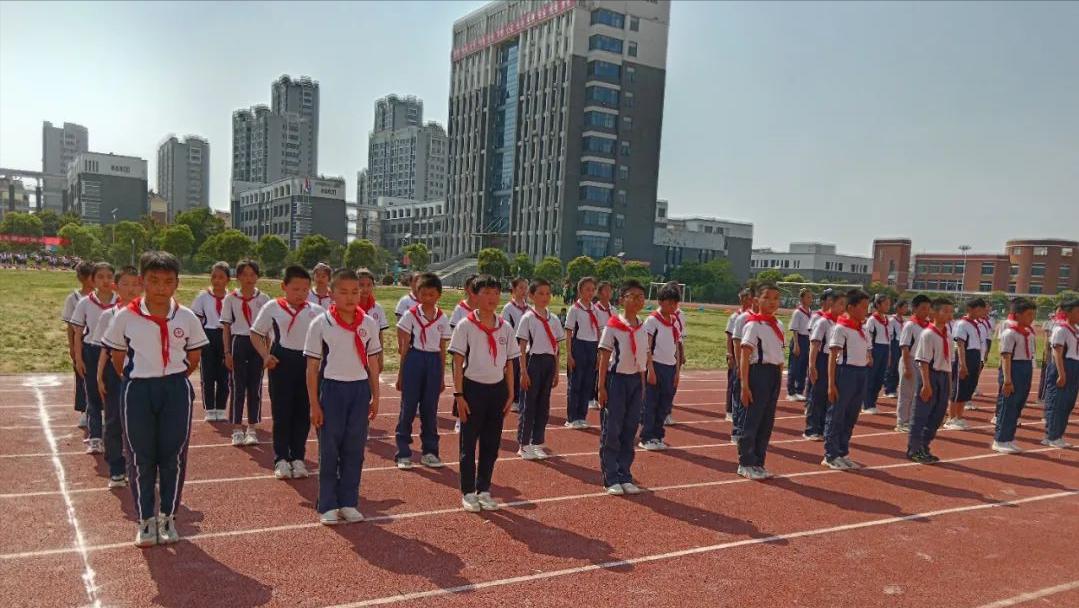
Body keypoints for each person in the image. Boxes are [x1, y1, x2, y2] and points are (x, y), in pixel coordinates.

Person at [102, 251, 208, 547]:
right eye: (154, 280)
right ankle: (146, 519)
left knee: (172, 456)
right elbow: (117, 355)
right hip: (138, 389)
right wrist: (140, 376)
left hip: (175, 389)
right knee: (140, 456)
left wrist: (174, 376)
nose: (161, 287)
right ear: (142, 281)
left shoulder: (185, 317)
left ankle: (168, 517)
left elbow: (195, 355)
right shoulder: (126, 316)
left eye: (168, 281)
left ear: (177, 283)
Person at [303, 268, 383, 525]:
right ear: (331, 294)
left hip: (359, 391)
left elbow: (373, 364)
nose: (350, 297)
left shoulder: (368, 323)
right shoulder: (321, 323)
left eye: (355, 292)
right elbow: (313, 368)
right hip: (332, 390)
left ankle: (349, 501)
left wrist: (376, 397)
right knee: (330, 448)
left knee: (354, 448)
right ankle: (328, 503)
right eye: (343, 292)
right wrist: (314, 403)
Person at [449, 274, 519, 512]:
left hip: (497, 390)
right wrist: (459, 395)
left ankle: (484, 489)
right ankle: (468, 492)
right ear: (474, 296)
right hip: (472, 389)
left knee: (491, 444)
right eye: (486, 293)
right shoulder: (465, 326)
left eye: (496, 293)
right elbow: (457, 363)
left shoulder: (505, 327)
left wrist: (510, 393)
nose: (492, 298)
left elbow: (510, 362)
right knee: (468, 444)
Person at [251, 265, 323, 480]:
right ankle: (281, 458)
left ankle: (298, 457)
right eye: (295, 289)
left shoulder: (317, 311)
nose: (300, 294)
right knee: (282, 413)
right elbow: (255, 333)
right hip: (280, 362)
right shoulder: (273, 307)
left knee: (302, 412)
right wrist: (265, 356)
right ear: (284, 287)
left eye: (305, 290)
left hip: (306, 363)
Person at [394, 272, 450, 469]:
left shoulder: (443, 318)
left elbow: (443, 349)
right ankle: (403, 452)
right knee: (408, 407)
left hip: (433, 362)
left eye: (431, 295)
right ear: (417, 294)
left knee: (430, 409)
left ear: (438, 295)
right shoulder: (411, 315)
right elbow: (404, 346)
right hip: (414, 359)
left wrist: (442, 375)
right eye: (423, 294)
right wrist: (401, 374)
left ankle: (430, 451)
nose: (427, 298)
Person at [597, 279, 647, 496]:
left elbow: (644, 355)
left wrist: (643, 384)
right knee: (612, 430)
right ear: (622, 299)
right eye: (632, 296)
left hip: (635, 381)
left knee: (629, 429)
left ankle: (625, 474)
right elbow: (604, 356)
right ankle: (611, 476)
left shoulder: (642, 326)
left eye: (641, 297)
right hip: (616, 381)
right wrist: (601, 387)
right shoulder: (613, 326)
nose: (637, 301)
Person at [93, 265, 142, 488]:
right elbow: (103, 349)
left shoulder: (148, 313)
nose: (131, 289)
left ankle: (141, 468)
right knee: (113, 420)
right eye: (125, 284)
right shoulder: (108, 315)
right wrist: (99, 376)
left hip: (141, 372)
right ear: (116, 286)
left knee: (141, 422)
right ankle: (116, 468)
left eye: (135, 284)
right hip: (115, 372)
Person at [221, 260, 271, 447]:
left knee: (255, 386)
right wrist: (226, 351)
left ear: (257, 276)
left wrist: (266, 352)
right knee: (237, 386)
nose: (249, 278)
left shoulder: (264, 299)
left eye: (252, 274)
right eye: (244, 274)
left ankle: (251, 428)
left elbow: (268, 329)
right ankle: (236, 428)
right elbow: (226, 327)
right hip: (239, 341)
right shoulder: (231, 299)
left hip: (257, 343)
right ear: (238, 277)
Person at [737, 282, 785, 479]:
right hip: (759, 373)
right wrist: (744, 384)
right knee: (752, 419)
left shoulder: (779, 325)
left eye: (775, 298)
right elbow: (745, 355)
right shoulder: (752, 325)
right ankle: (745, 462)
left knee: (767, 421)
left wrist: (780, 378)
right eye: (767, 298)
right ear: (756, 301)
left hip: (774, 373)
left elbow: (780, 354)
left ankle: (759, 461)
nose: (772, 302)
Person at [71, 262, 118, 453]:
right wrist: (79, 359)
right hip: (92, 350)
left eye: (109, 276)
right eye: (100, 277)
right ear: (93, 280)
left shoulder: (121, 302)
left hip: (115, 352)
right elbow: (78, 332)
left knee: (113, 394)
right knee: (92, 395)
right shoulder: (85, 303)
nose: (105, 281)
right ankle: (95, 437)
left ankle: (113, 435)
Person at [515, 278, 564, 460]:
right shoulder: (527, 318)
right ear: (531, 296)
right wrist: (523, 371)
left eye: (548, 293)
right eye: (540, 293)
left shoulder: (554, 319)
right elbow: (521, 347)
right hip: (532, 361)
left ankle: (537, 443)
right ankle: (523, 443)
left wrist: (557, 371)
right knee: (528, 404)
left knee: (543, 405)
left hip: (549, 362)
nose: (545, 297)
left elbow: (558, 349)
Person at [823, 288, 872, 470]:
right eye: (863, 307)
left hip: (861, 373)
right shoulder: (840, 328)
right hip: (845, 373)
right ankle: (830, 454)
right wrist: (831, 383)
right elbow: (832, 356)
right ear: (851, 308)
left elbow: (867, 351)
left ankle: (842, 452)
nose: (866, 311)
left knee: (851, 415)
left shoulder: (863, 329)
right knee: (837, 415)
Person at [908, 297, 955, 463]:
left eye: (951, 311)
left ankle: (924, 446)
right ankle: (914, 449)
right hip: (930, 376)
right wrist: (926, 384)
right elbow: (923, 361)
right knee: (921, 414)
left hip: (943, 376)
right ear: (934, 313)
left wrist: (949, 385)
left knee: (937, 415)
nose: (949, 315)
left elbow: (949, 362)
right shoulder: (928, 334)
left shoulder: (948, 335)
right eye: (945, 311)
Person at [639, 283, 682, 451]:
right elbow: (647, 346)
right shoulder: (652, 321)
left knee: (665, 404)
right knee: (651, 403)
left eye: (675, 303)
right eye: (670, 303)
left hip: (670, 367)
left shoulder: (674, 322)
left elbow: (676, 347)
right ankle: (647, 436)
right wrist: (650, 368)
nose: (673, 307)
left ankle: (658, 435)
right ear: (661, 302)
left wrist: (677, 371)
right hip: (656, 366)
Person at [992, 298, 1037, 454]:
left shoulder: (1029, 333)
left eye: (1033, 314)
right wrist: (1007, 379)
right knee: (1008, 405)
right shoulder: (1009, 333)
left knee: (1018, 405)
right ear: (1017, 315)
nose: (1032, 318)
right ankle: (1000, 439)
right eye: (1029, 314)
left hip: (1025, 368)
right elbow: (1006, 356)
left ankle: (1009, 438)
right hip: (1013, 369)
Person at [190, 262, 231, 422]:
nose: (216, 280)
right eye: (214, 276)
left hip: (225, 336)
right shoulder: (203, 296)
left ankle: (221, 408)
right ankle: (209, 408)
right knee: (208, 374)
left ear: (228, 279)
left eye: (221, 277)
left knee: (224, 375)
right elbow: (196, 319)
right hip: (207, 336)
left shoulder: (231, 297)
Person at [804, 289, 843, 440]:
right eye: (840, 304)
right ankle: (812, 429)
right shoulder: (822, 322)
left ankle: (824, 427)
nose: (843, 308)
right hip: (822, 359)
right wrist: (812, 365)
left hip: (835, 361)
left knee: (830, 395)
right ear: (831, 304)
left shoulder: (839, 323)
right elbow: (814, 344)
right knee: (817, 395)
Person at [62, 260, 95, 428]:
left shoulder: (100, 297)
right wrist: (72, 348)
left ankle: (99, 411)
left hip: (98, 342)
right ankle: (84, 410)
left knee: (100, 377)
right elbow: (70, 326)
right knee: (82, 376)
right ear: (83, 278)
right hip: (80, 342)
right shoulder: (73, 298)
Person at [944, 298, 986, 430]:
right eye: (979, 309)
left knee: (968, 388)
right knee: (959, 388)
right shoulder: (962, 324)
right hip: (965, 357)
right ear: (970, 309)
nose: (982, 312)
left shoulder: (975, 324)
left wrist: (979, 361)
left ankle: (959, 416)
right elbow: (960, 344)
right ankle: (951, 418)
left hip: (974, 356)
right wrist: (962, 364)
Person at [1042, 298, 1079, 448]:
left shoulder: (1076, 329)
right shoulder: (1061, 329)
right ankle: (1051, 436)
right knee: (1057, 402)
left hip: (1075, 366)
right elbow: (1057, 352)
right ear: (1068, 312)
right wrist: (1061, 373)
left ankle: (1058, 435)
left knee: (1068, 403)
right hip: (1063, 366)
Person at [564, 276, 600, 429]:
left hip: (592, 347)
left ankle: (582, 416)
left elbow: (598, 331)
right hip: (579, 346)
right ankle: (572, 417)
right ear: (580, 291)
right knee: (576, 383)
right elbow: (569, 333)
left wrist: (599, 353)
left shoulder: (595, 309)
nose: (590, 293)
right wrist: (570, 354)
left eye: (593, 290)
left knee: (587, 383)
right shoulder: (574, 310)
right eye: (587, 289)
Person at [896, 295, 932, 433]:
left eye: (928, 308)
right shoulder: (910, 325)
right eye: (923, 308)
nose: (926, 311)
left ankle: (913, 419)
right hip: (910, 360)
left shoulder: (928, 326)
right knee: (907, 393)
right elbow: (905, 346)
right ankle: (902, 422)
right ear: (915, 308)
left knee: (919, 394)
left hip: (923, 362)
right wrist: (906, 366)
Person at [729, 289, 759, 442]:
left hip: (758, 368)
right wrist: (739, 364)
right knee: (740, 399)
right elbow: (736, 341)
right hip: (744, 364)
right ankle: (737, 431)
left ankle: (748, 432)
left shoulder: (768, 320)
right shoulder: (742, 318)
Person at [502, 277, 530, 412]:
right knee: (513, 372)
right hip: (513, 344)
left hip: (527, 345)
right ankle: (511, 399)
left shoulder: (530, 308)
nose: (524, 291)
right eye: (521, 288)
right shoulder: (508, 308)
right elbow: (505, 328)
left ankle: (520, 398)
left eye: (526, 287)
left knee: (523, 371)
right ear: (513, 290)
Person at [724, 289, 752, 424]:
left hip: (748, 356)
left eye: (747, 298)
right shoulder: (736, 317)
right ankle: (730, 410)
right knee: (734, 383)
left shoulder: (752, 316)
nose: (745, 300)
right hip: (736, 355)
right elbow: (729, 336)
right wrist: (730, 354)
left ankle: (743, 410)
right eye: (743, 298)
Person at [862, 294, 892, 414]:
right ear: (878, 305)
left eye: (889, 304)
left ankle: (873, 402)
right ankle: (866, 403)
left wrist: (889, 354)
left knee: (880, 377)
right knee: (871, 377)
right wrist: (869, 355)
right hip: (875, 349)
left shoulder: (887, 320)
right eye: (885, 304)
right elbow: (868, 338)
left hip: (885, 348)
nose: (888, 306)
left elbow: (889, 338)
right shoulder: (872, 320)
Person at [590, 282, 617, 411]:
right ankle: (593, 397)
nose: (608, 293)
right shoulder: (595, 309)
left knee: (607, 369)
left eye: (610, 291)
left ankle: (605, 393)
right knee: (597, 370)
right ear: (599, 294)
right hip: (599, 343)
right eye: (605, 291)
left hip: (611, 345)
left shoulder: (613, 310)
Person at [787, 288, 813, 401]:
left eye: (811, 297)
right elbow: (794, 329)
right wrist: (796, 344)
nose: (810, 299)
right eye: (807, 297)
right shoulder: (798, 312)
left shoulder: (811, 312)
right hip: (799, 339)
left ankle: (799, 390)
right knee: (795, 366)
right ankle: (791, 392)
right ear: (802, 298)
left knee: (803, 367)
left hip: (808, 340)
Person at [884, 300, 909, 398]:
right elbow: (890, 334)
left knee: (899, 366)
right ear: (898, 308)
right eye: (904, 307)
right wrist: (890, 348)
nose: (906, 309)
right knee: (892, 367)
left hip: (902, 344)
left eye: (907, 307)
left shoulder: (905, 321)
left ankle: (894, 387)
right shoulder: (892, 320)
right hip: (894, 343)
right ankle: (889, 388)